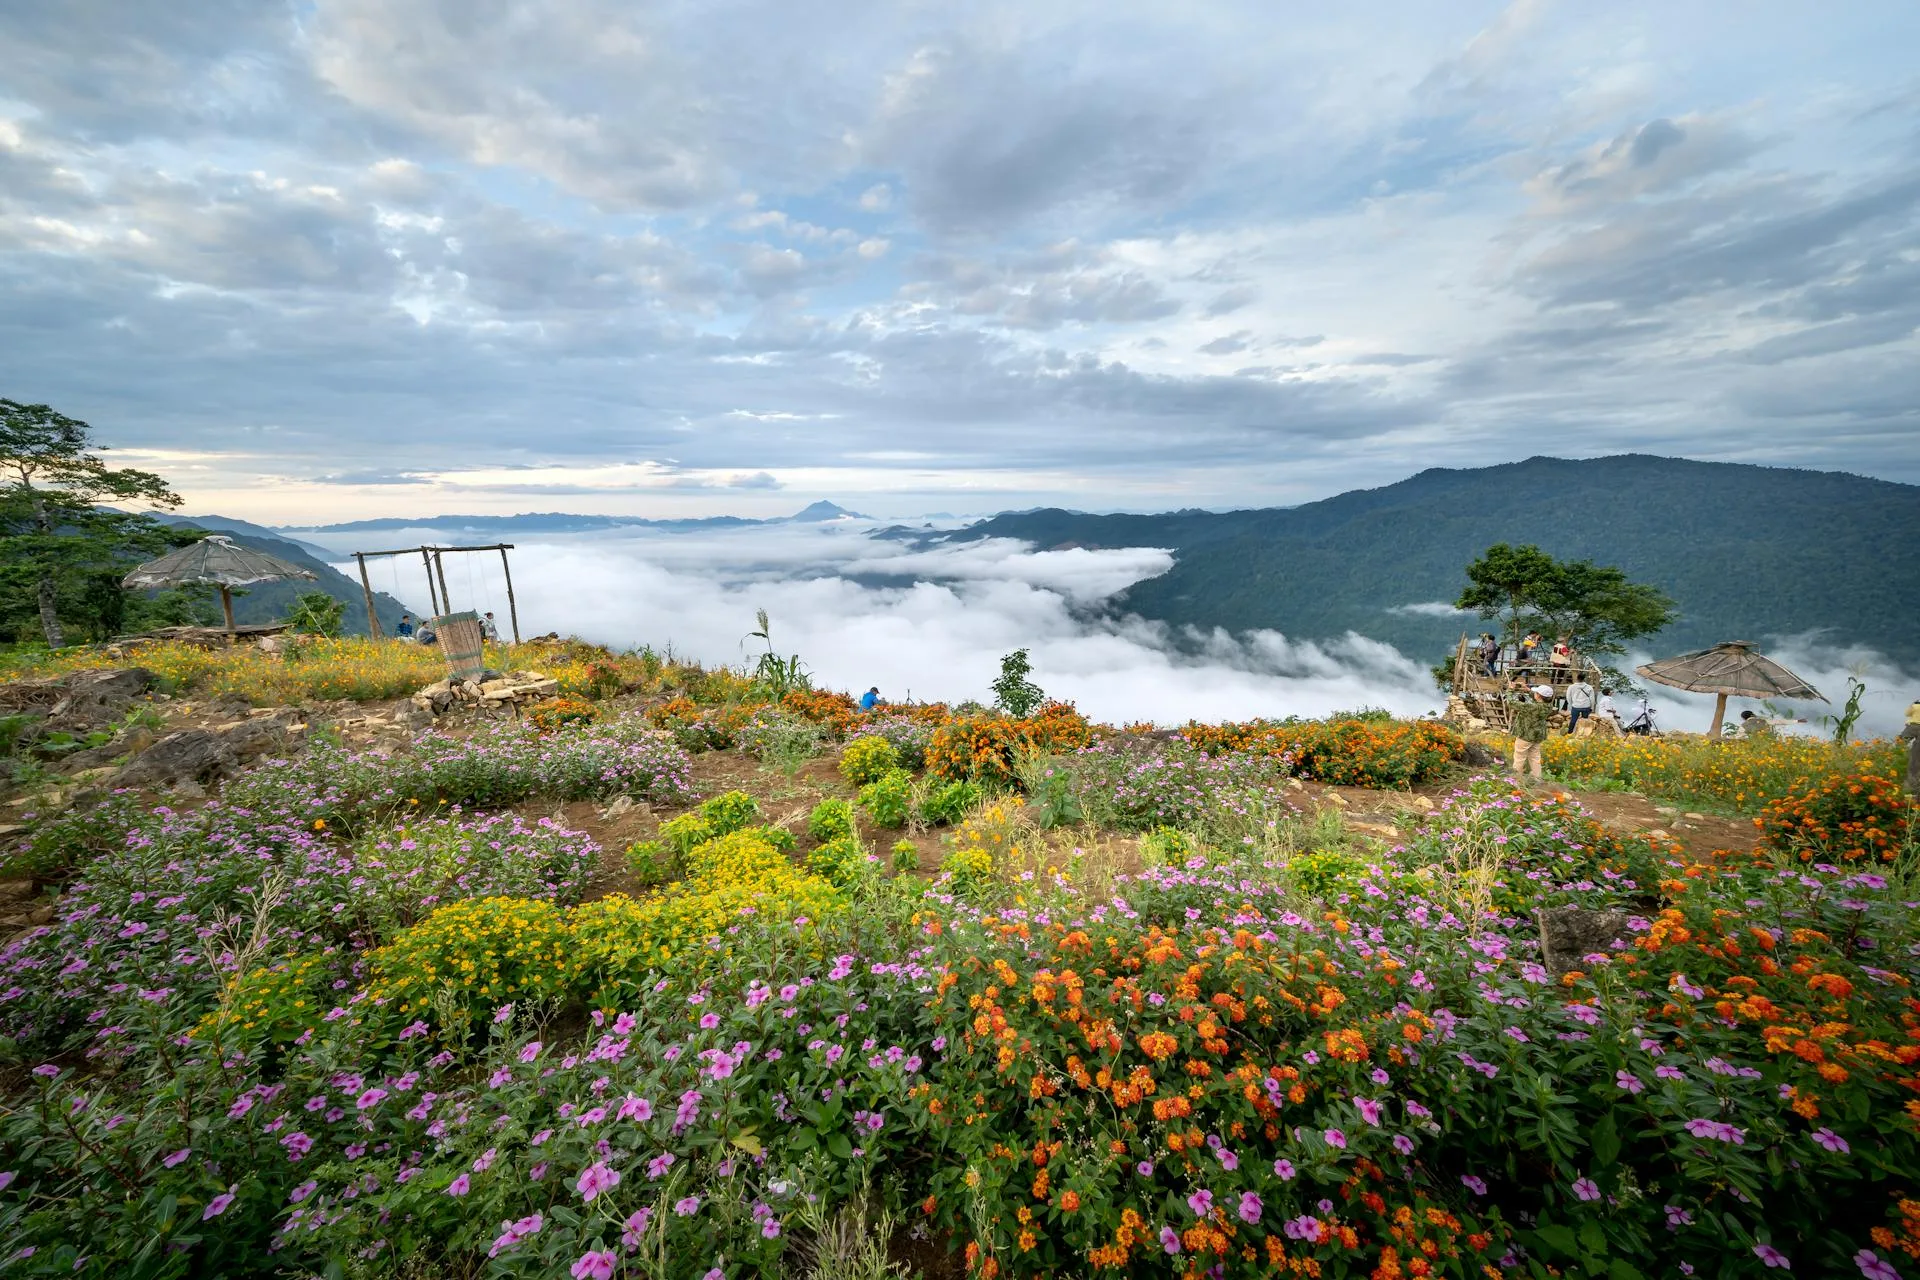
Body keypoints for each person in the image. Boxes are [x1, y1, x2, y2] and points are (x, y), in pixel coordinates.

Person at [1511, 694, 1551, 781]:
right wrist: (1528, 691)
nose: (1534, 694)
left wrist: (1510, 691)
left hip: (1526, 735)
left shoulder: (1532, 706)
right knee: (1535, 757)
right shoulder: (1548, 706)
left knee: (1519, 757)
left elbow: (1511, 703)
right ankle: (1537, 779)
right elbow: (1537, 698)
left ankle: (1516, 781)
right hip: (1537, 735)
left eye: (1536, 693)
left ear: (1539, 696)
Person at [1901, 702, 1920, 795]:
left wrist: (1911, 705)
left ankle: (1897, 752)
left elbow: (1907, 714)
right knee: (1916, 754)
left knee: (1900, 743)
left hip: (1913, 726)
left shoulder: (1915, 706)